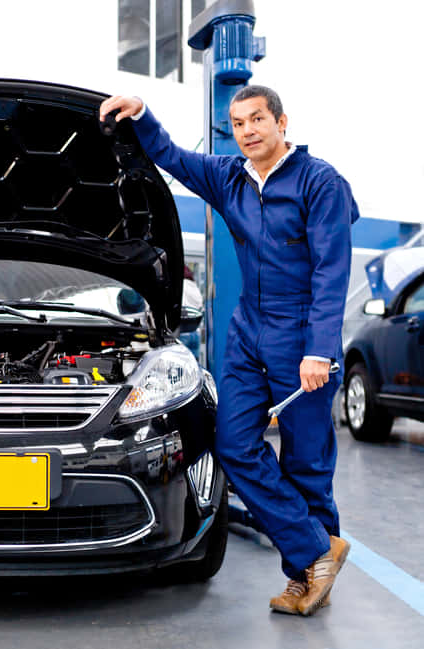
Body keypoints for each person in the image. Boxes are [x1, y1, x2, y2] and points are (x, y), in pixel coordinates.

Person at [99, 86, 358, 616]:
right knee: (235, 444)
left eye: (258, 119)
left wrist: (320, 350)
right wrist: (142, 115)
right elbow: (170, 155)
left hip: (301, 334)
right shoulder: (229, 177)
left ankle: (303, 579)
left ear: (282, 122)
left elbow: (332, 271)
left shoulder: (320, 183)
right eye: (239, 123)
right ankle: (317, 551)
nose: (248, 131)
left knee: (307, 461)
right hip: (248, 334)